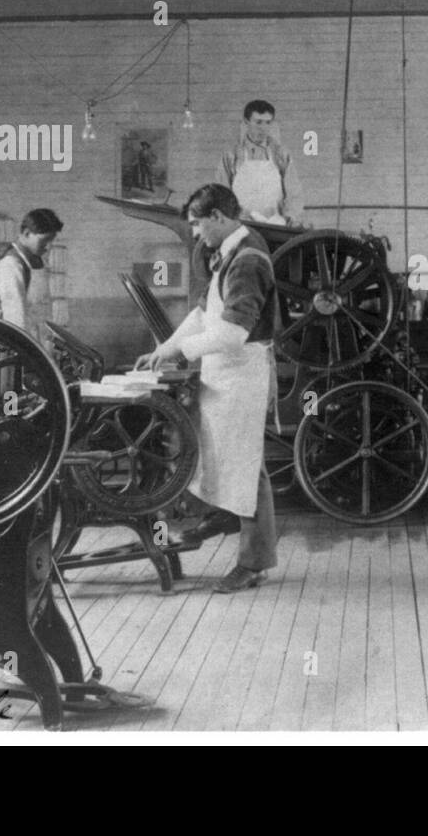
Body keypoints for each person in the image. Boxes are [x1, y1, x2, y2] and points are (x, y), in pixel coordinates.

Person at [137, 183, 279, 594]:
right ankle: (219, 520)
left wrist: (182, 351)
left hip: (240, 370)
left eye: (199, 224)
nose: (197, 233)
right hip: (222, 371)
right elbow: (204, 312)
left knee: (247, 468)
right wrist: (163, 350)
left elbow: (234, 332)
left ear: (218, 216)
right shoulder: (228, 252)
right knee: (222, 459)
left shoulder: (249, 258)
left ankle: (253, 563)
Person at [220, 99, 304, 227]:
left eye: (268, 122)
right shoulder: (232, 155)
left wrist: (290, 217)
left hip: (275, 226)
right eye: (258, 122)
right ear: (246, 122)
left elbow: (294, 193)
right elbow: (221, 193)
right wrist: (235, 214)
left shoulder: (280, 154)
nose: (263, 128)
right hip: (241, 224)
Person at [0, 208, 63, 348]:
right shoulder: (11, 265)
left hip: (40, 342)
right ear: (26, 233)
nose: (48, 246)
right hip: (21, 347)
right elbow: (15, 319)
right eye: (44, 240)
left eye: (51, 240)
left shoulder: (35, 262)